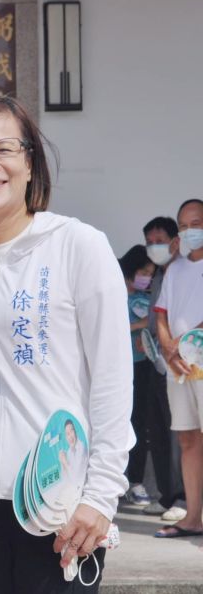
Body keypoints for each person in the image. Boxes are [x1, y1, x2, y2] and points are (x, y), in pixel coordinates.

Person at [0, 93, 134, 593]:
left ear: (30, 161)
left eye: (3, 148)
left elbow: (111, 380)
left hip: (58, 503)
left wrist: (101, 495)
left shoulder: (79, 246)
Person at [154, 198, 203, 538]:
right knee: (187, 439)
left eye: (196, 224)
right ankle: (193, 517)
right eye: (183, 226)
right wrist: (169, 347)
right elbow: (161, 314)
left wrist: (186, 341)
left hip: (198, 360)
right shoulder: (175, 270)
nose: (189, 231)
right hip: (179, 368)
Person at [141, 216, 187, 520]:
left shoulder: (186, 272)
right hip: (155, 361)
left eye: (160, 241)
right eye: (150, 242)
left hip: (180, 363)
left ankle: (184, 497)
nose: (154, 247)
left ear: (175, 242)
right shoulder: (158, 275)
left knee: (179, 435)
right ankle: (165, 494)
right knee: (156, 429)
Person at [118, 245, 157, 507]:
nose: (147, 278)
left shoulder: (146, 299)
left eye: (150, 275)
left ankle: (135, 482)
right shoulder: (113, 292)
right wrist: (136, 325)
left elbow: (152, 322)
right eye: (144, 272)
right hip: (116, 369)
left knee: (139, 425)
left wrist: (139, 326)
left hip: (141, 368)